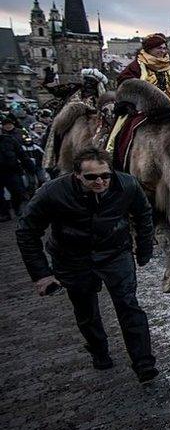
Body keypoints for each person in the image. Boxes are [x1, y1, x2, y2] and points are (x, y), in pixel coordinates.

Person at [15, 148, 157, 381]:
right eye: (92, 177)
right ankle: (99, 349)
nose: (100, 181)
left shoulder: (128, 185)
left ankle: (143, 362)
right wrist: (41, 274)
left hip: (115, 253)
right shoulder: (52, 192)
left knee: (128, 304)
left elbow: (143, 214)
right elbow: (26, 230)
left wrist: (144, 249)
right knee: (86, 310)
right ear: (77, 175)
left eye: (105, 175)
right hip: (72, 258)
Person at [0, 115, 33, 221]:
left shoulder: (9, 140)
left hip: (12, 171)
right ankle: (4, 213)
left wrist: (30, 167)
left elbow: (22, 154)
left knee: (18, 192)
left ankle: (17, 207)